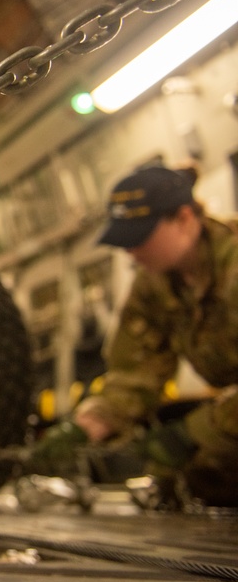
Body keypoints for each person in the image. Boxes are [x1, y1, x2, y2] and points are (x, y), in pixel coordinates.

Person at [29, 165, 238, 507]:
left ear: (185, 220)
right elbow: (135, 374)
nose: (131, 251)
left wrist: (195, 433)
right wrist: (87, 425)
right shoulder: (155, 286)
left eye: (140, 236)